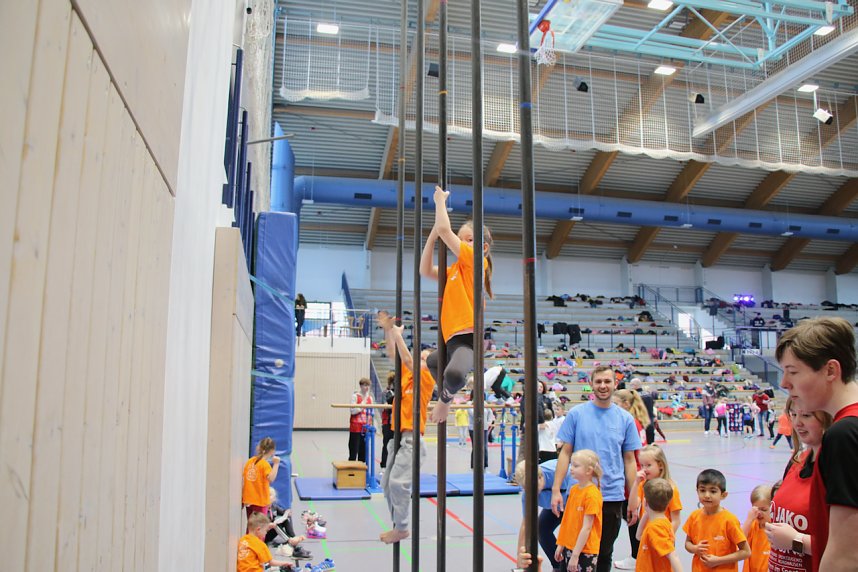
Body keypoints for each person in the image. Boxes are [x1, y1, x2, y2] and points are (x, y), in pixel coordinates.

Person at [774, 316, 858, 571]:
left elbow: (846, 556)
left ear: (831, 370)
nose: (784, 383)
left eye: (793, 372)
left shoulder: (844, 433)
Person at [551, 365, 642, 572]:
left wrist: (633, 497)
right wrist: (556, 489)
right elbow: (565, 453)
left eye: (607, 381)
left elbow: (629, 460)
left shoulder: (625, 419)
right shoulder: (576, 414)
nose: (603, 386)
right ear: (591, 384)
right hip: (580, 495)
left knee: (603, 553)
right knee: (573, 549)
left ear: (615, 384)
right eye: (598, 381)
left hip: (611, 496)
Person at [420, 185, 494, 424]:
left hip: (468, 338)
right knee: (432, 362)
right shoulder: (454, 270)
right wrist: (433, 236)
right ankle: (448, 392)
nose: (462, 243)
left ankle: (445, 399)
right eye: (460, 239)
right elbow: (424, 270)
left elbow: (444, 229)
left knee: (453, 374)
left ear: (482, 247)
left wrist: (440, 201)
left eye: (468, 240)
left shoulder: (476, 261)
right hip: (450, 340)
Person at [377, 310, 436, 544]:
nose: (420, 360)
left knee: (398, 483)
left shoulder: (427, 378)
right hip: (398, 437)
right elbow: (394, 354)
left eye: (424, 359)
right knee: (386, 484)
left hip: (412, 439)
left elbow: (409, 361)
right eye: (420, 357)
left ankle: (402, 527)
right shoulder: (407, 377)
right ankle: (397, 526)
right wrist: (388, 331)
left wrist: (397, 333)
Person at [764, 397, 832, 572]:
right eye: (793, 415)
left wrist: (797, 541)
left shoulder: (837, 469)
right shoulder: (797, 461)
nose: (797, 423)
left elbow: (848, 548)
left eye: (806, 415)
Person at [616, 444, 682, 570]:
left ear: (660, 465)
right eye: (642, 465)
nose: (644, 469)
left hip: (661, 536)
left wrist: (665, 536)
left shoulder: (670, 488)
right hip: (646, 535)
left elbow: (676, 519)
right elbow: (632, 506)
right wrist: (636, 483)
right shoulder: (644, 485)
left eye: (648, 465)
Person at [682, 469, 750, 571]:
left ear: (723, 495)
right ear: (697, 491)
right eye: (702, 490)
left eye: (713, 491)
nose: (707, 495)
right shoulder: (694, 516)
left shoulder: (729, 520)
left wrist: (718, 560)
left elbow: (746, 552)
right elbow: (688, 543)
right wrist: (695, 549)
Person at [514, 458, 575, 571]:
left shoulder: (559, 473)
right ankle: (558, 566)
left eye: (535, 488)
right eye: (528, 488)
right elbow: (526, 524)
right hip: (555, 506)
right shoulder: (527, 495)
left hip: (573, 504)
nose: (533, 492)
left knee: (569, 540)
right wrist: (519, 556)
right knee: (541, 529)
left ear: (541, 477)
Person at [555, 450, 603, 572]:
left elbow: (587, 527)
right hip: (570, 545)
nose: (571, 468)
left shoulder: (592, 495)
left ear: (588, 470)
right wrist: (561, 543)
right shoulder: (574, 490)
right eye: (571, 465)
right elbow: (567, 520)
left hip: (586, 550)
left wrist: (575, 555)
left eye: (576, 466)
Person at [634, 478, 684, 572]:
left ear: (645, 502)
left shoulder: (656, 528)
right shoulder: (663, 523)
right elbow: (638, 536)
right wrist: (646, 513)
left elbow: (672, 555)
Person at [243, 437, 280, 519]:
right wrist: (276, 464)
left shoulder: (250, 461)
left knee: (251, 524)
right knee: (259, 525)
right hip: (259, 501)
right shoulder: (264, 465)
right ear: (272, 451)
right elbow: (271, 478)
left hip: (249, 499)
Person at [740, 484, 771, 572]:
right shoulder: (752, 525)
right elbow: (739, 540)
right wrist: (748, 520)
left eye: (764, 509)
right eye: (756, 509)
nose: (759, 513)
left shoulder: (776, 528)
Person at [348, 377, 373, 463]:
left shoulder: (370, 398)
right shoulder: (355, 396)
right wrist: (363, 404)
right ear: (361, 386)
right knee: (353, 450)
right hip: (356, 427)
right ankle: (351, 468)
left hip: (365, 428)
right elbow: (353, 411)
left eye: (368, 385)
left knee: (363, 452)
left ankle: (361, 468)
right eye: (365, 385)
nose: (367, 388)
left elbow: (371, 413)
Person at [380, 371, 395, 468]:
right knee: (386, 444)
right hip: (387, 422)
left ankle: (394, 465)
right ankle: (384, 465)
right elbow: (385, 405)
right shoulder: (386, 392)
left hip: (397, 422)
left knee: (397, 445)